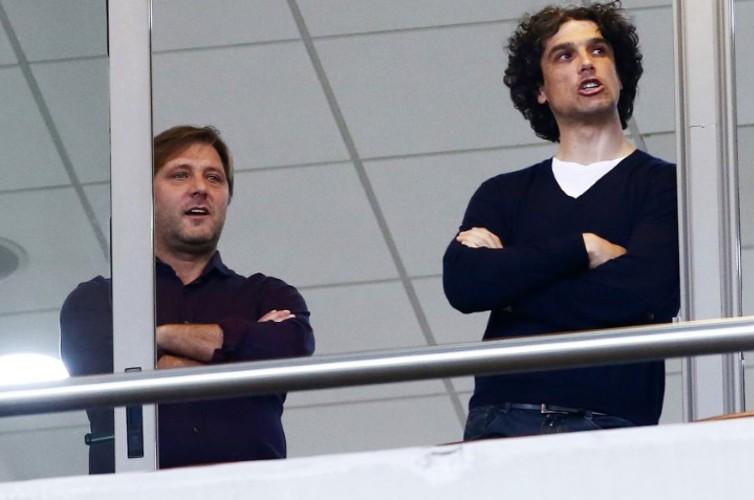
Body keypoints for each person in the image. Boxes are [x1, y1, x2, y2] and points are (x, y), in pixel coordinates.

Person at [443, 1, 679, 439]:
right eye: (564, 55)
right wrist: (583, 247)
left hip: (609, 421)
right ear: (540, 90)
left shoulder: (665, 185)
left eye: (599, 50)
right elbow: (465, 284)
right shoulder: (503, 192)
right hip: (503, 417)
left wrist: (513, 288)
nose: (586, 63)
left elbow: (647, 292)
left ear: (620, 74)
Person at [60, 125, 314, 473]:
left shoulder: (268, 294)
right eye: (180, 175)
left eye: (214, 178)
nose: (200, 188)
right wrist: (237, 363)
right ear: (144, 196)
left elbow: (292, 347)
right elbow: (102, 374)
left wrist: (158, 337)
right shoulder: (97, 300)